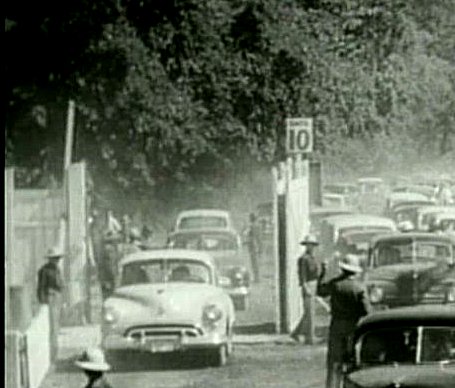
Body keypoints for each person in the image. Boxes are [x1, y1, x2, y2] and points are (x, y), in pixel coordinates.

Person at [317, 254, 372, 388]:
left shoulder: (335, 284)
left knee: (334, 361)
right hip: (353, 326)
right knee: (352, 359)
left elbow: (321, 291)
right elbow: (366, 310)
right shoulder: (359, 288)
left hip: (336, 325)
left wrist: (322, 274)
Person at [291, 234, 322, 344]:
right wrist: (305, 287)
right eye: (309, 245)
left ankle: (296, 333)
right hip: (308, 284)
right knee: (309, 313)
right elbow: (302, 275)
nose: (311, 247)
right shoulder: (303, 259)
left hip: (314, 283)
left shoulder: (314, 258)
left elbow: (317, 273)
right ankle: (310, 337)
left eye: (313, 245)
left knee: (309, 312)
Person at [37, 246, 65, 360]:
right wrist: (43, 302)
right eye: (54, 258)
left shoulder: (57, 269)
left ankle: (55, 353)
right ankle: (51, 355)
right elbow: (41, 287)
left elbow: (61, 285)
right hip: (51, 297)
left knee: (56, 327)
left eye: (57, 258)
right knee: (52, 327)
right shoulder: (44, 270)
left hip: (58, 298)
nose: (56, 260)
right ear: (50, 259)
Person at [245, 212, 262, 283]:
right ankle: (256, 277)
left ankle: (256, 278)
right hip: (255, 244)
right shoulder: (257, 225)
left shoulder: (252, 226)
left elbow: (248, 234)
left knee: (254, 262)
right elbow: (258, 237)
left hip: (252, 245)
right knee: (255, 262)